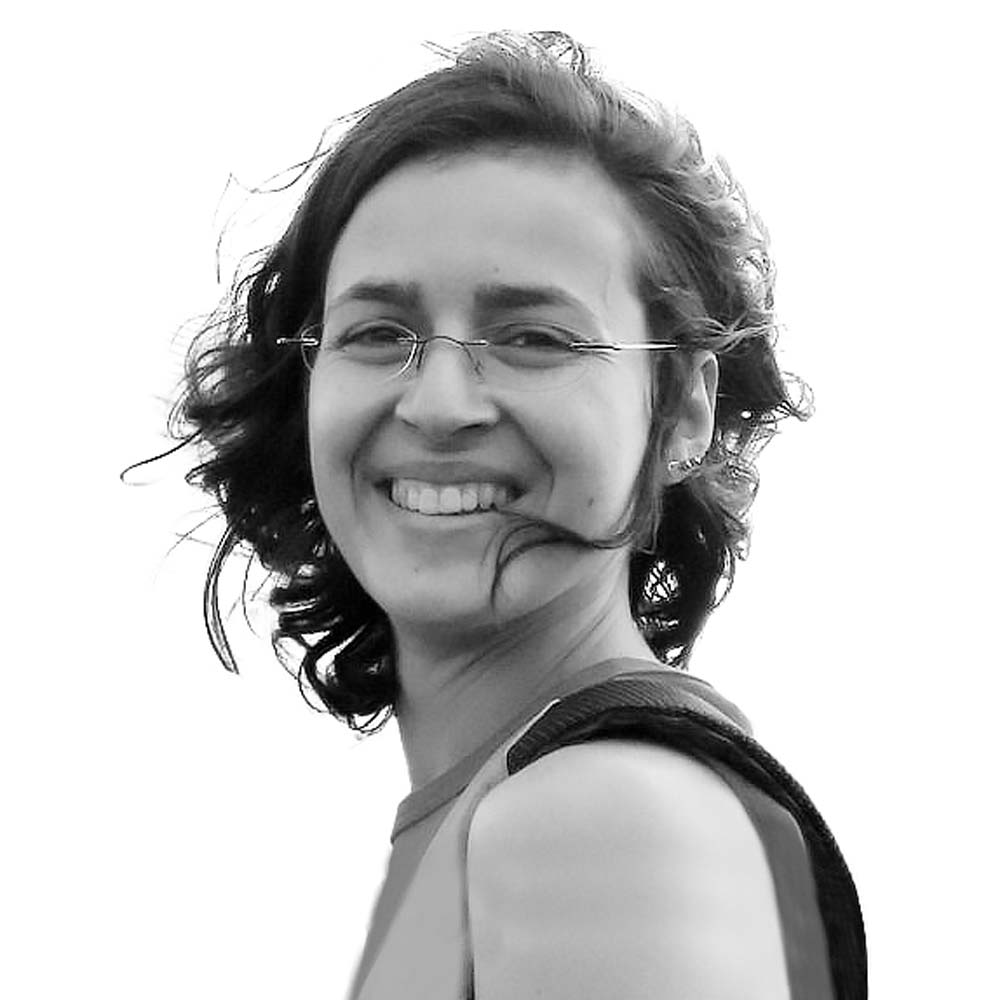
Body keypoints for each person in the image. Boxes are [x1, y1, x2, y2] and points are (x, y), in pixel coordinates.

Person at [144, 30, 866, 999]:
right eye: (377, 333)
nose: (438, 404)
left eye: (534, 337)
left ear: (685, 409)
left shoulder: (595, 821)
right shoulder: (508, 818)